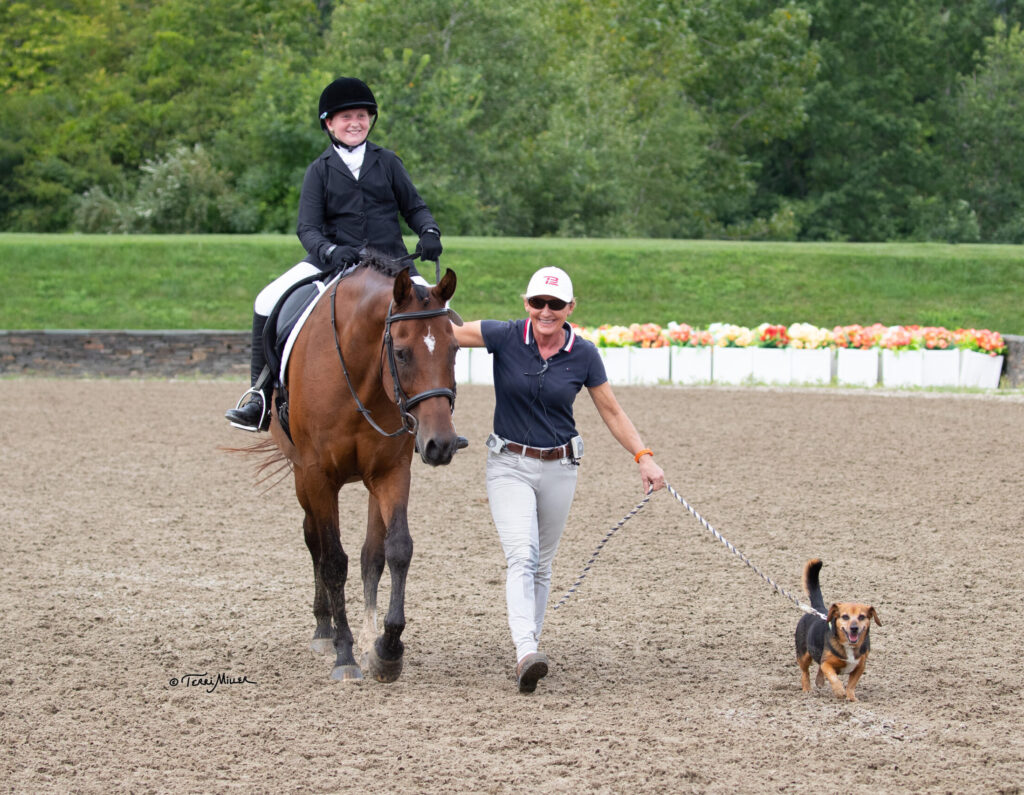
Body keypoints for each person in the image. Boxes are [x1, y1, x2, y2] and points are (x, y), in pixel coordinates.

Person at [452, 266, 666, 693]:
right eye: (538, 303)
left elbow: (611, 411)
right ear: (526, 303)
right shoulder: (505, 335)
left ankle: (529, 645)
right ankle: (526, 651)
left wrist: (643, 457)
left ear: (570, 308)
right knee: (523, 556)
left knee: (542, 566)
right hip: (508, 464)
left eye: (555, 304)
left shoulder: (583, 354)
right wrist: (408, 297)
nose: (545, 311)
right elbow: (448, 332)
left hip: (561, 467)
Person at [226, 76, 444, 431]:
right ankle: (260, 396)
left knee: (440, 314)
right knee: (266, 301)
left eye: (361, 115)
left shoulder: (388, 162)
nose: (355, 123)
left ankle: (438, 410)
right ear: (329, 123)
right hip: (334, 264)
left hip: (392, 264)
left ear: (370, 120)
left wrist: (429, 231)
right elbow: (307, 228)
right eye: (346, 117)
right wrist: (329, 249)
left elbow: (415, 208)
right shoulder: (319, 170)